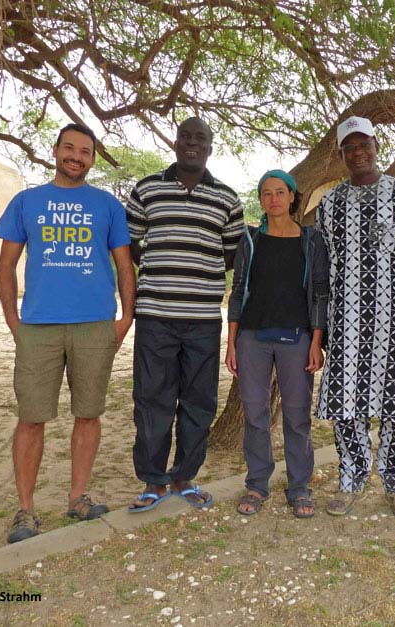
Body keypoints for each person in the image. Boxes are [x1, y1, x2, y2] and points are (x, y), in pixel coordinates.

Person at [0, 123, 136, 544]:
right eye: (69, 148)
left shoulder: (107, 206)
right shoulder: (27, 202)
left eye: (86, 151)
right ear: (55, 151)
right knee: (31, 418)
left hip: (95, 323)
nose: (76, 156)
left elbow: (125, 265)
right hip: (38, 326)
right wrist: (13, 322)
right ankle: (25, 510)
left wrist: (125, 318)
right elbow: (5, 267)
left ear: (93, 159)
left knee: (88, 414)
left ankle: (77, 497)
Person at [314, 116, 395, 520]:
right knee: (347, 406)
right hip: (345, 323)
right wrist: (324, 324)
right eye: (350, 147)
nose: (358, 152)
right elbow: (324, 268)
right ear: (342, 154)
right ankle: (351, 479)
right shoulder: (329, 205)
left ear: (376, 147)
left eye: (364, 144)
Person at [125, 117, 244, 512]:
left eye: (201, 139)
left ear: (211, 147)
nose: (192, 143)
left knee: (198, 401)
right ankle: (152, 481)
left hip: (203, 320)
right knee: (151, 398)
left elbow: (231, 256)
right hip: (155, 316)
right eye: (186, 137)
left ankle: (185, 477)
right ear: (175, 143)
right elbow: (130, 244)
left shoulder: (227, 199)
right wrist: (162, 265)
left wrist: (197, 271)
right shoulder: (147, 189)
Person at [225, 170, 329, 518]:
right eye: (266, 193)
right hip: (253, 339)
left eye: (280, 192)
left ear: (293, 197)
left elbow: (319, 294)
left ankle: (299, 486)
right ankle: (257, 483)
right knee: (255, 414)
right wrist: (231, 343)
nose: (274, 199)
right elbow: (237, 291)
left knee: (297, 416)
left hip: (297, 339)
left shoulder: (311, 240)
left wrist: (317, 341)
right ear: (260, 200)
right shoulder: (250, 240)